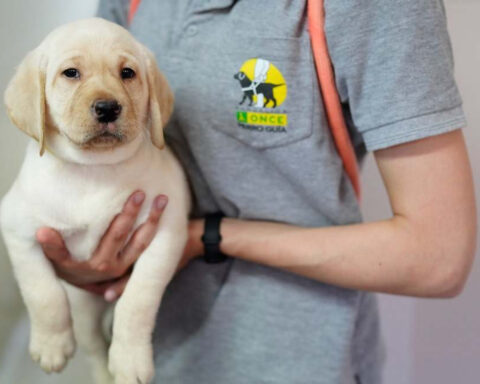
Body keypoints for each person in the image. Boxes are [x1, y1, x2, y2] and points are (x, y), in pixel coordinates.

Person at [35, 0, 477, 383]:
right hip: (148, 354)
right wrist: (87, 259)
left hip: (294, 361)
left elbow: (437, 256)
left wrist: (204, 237)